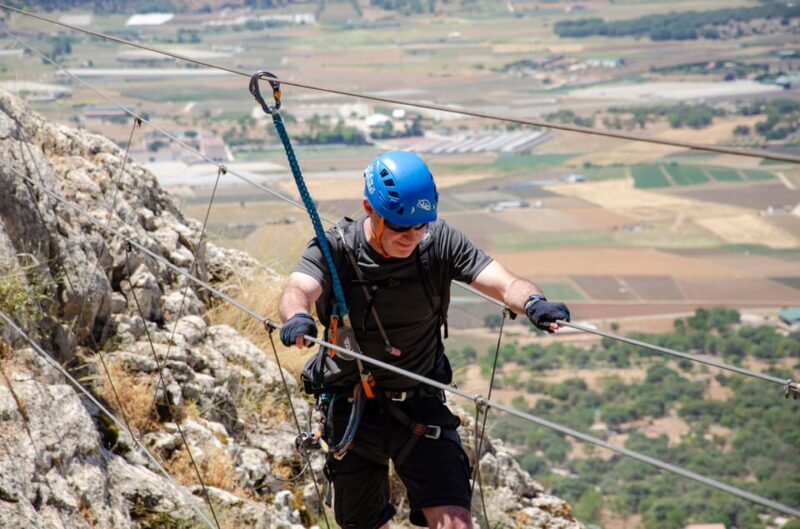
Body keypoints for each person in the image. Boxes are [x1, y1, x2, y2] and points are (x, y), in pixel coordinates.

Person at [278, 151, 570, 529]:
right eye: (402, 227)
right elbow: (298, 289)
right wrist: (298, 317)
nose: (413, 236)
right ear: (370, 208)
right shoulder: (335, 249)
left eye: (421, 225)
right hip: (351, 409)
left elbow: (503, 282)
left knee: (455, 523)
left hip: (420, 407)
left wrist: (533, 303)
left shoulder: (440, 241)